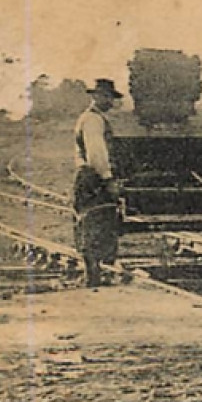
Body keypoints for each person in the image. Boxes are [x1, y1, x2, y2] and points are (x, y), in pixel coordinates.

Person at [72, 78, 124, 287]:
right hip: (94, 178)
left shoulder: (93, 118)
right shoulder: (93, 120)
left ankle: (98, 274)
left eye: (111, 97)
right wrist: (108, 178)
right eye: (106, 97)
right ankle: (94, 277)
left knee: (99, 224)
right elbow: (97, 154)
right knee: (95, 223)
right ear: (95, 96)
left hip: (91, 177)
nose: (110, 101)